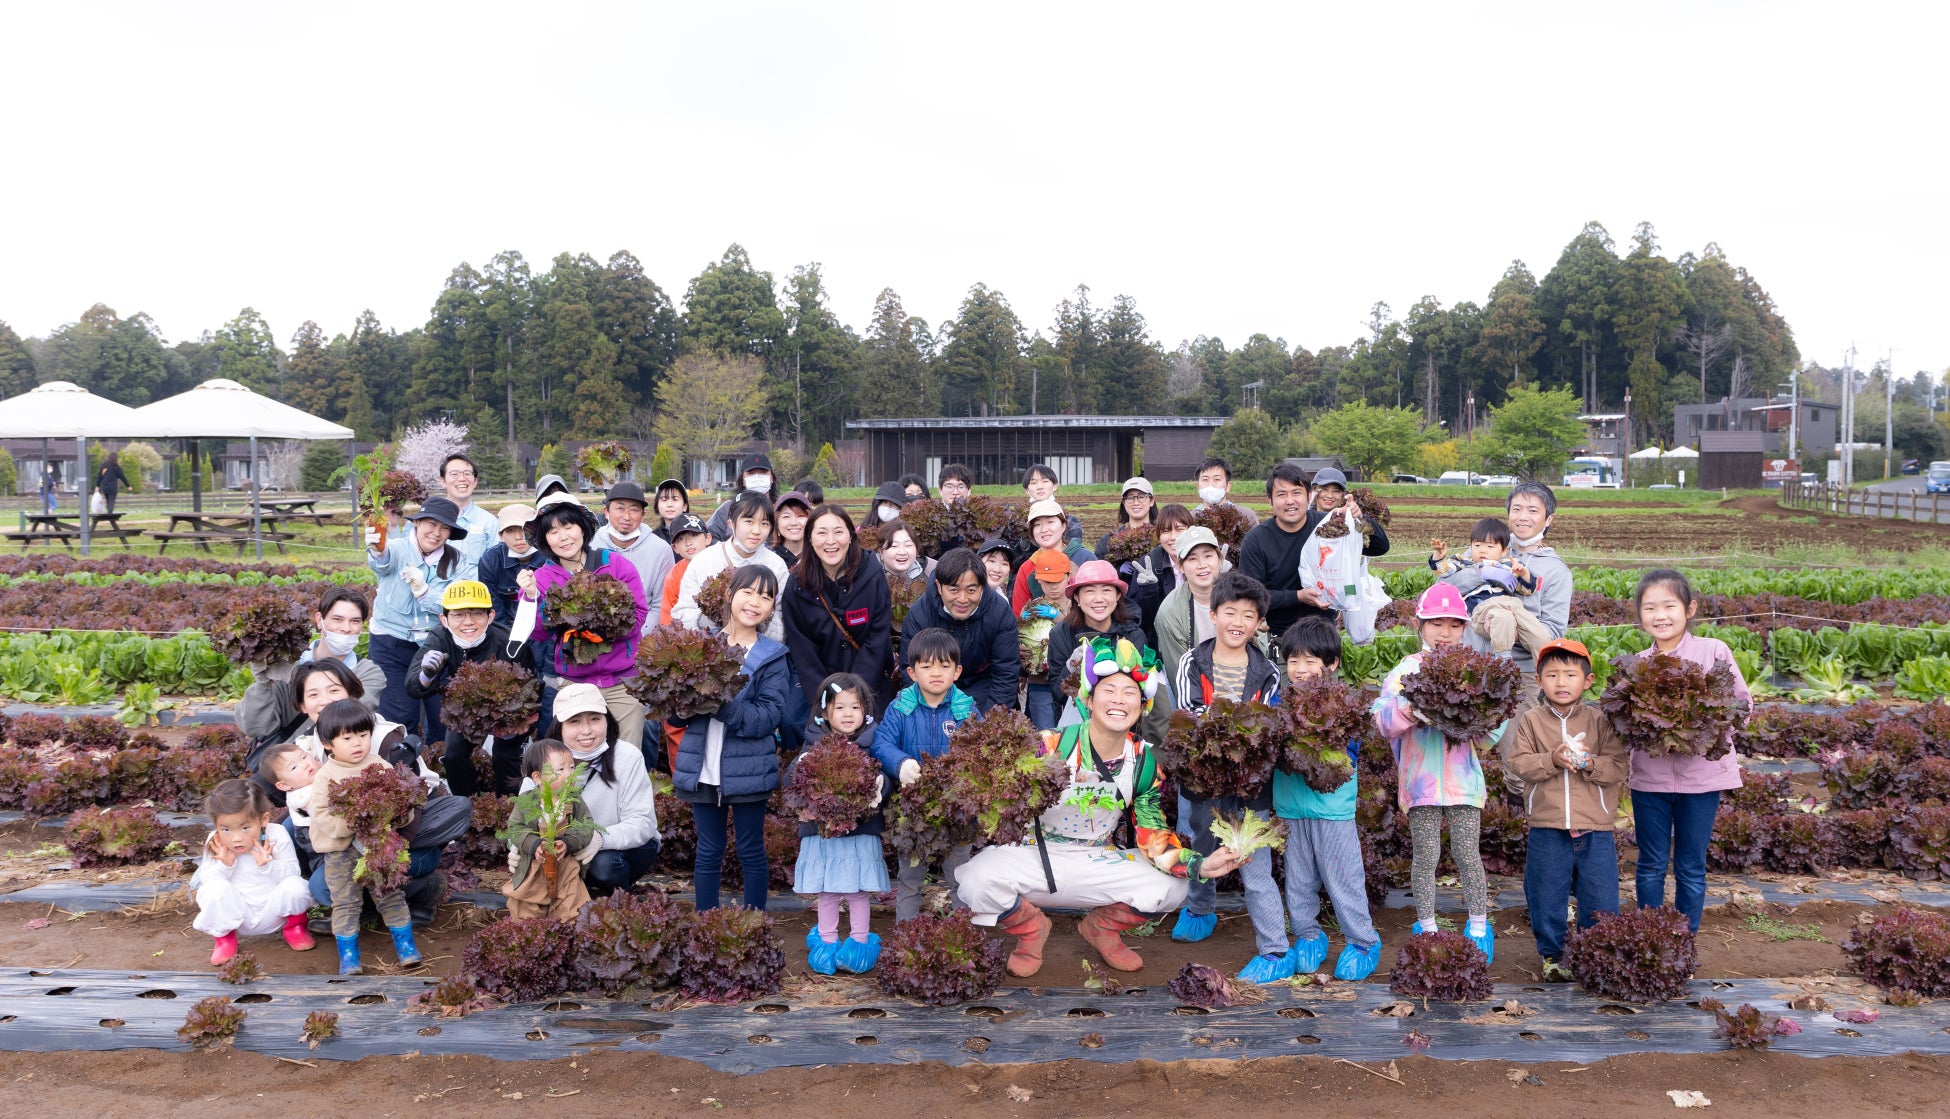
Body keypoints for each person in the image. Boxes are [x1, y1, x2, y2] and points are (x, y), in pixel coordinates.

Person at [956, 636, 1243, 976]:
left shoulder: (1143, 762)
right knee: (976, 880)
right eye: (1109, 690)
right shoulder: (1049, 745)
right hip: (1035, 855)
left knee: (1173, 886)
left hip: (1097, 860)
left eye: (1130, 692)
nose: (1119, 700)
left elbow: (1153, 835)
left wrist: (1200, 864)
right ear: (1089, 700)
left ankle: (1101, 928)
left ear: (1142, 706)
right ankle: (1032, 929)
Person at [1372, 583, 1499, 962]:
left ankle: (1479, 925)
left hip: (1463, 782)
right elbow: (1381, 719)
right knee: (1426, 856)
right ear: (1419, 624)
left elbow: (1495, 725)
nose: (1445, 633)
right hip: (1421, 782)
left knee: (1467, 853)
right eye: (1436, 623)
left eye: (1454, 625)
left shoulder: (1474, 669)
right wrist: (1412, 710)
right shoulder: (1406, 670)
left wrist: (1477, 723)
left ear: (1465, 629)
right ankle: (1426, 926)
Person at [1627, 569, 1751, 933]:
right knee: (1650, 864)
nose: (1660, 616)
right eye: (1650, 608)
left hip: (1701, 780)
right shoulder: (1637, 663)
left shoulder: (1713, 651)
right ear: (1640, 614)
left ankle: (1684, 938)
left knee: (1691, 866)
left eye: (1669, 606)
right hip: (1650, 779)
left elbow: (1741, 706)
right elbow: (1624, 721)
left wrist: (1704, 730)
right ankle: (1652, 936)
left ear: (1689, 609)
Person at [672, 565, 800, 911]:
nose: (755, 602)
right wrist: (682, 700)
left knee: (751, 850)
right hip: (701, 768)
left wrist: (718, 704)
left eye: (766, 597)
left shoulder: (773, 657)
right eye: (748, 591)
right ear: (729, 595)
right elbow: (673, 714)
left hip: (749, 771)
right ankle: (706, 923)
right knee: (708, 850)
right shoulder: (701, 646)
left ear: (772, 608)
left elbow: (767, 717)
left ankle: (754, 923)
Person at [1167, 573, 1283, 954]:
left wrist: (1239, 732)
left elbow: (1267, 725)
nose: (1238, 623)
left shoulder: (1268, 672)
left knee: (1253, 853)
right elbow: (1189, 715)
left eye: (1249, 616)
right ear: (1213, 615)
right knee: (1200, 839)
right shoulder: (1192, 662)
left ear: (1259, 623)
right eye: (1230, 613)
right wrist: (1232, 724)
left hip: (1250, 782)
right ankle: (1200, 908)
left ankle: (1271, 939)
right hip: (1203, 778)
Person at [1507, 638, 1626, 980]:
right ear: (1538, 680)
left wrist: (1589, 763)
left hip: (1595, 826)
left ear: (1587, 681)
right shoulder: (1531, 720)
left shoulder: (1600, 721)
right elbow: (1519, 762)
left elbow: (1618, 766)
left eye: (1570, 675)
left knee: (1600, 895)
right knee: (1545, 893)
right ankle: (1553, 956)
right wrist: (1552, 759)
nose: (1561, 682)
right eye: (1552, 675)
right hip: (1548, 825)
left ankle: (1594, 954)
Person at [1273, 617, 1382, 981]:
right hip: (1289, 807)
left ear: (1332, 663)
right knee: (1298, 880)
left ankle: (1363, 941)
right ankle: (1308, 935)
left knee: (1342, 878)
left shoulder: (1345, 705)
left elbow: (1348, 755)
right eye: (1293, 661)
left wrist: (1315, 747)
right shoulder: (1278, 701)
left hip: (1331, 809)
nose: (1300, 669)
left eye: (1310, 660)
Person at [517, 493, 651, 752]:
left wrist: (596, 631)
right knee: (579, 757)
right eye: (553, 531)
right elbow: (538, 633)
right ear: (545, 539)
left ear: (582, 528)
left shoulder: (614, 564)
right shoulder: (541, 578)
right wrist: (531, 596)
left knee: (626, 754)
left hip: (623, 682)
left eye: (568, 526)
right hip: (575, 683)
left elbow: (637, 616)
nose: (563, 537)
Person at [870, 627, 977, 922]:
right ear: (912, 672)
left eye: (944, 666)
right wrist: (901, 763)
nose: (936, 673)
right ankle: (905, 934)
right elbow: (881, 744)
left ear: (957, 672)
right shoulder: (900, 707)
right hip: (912, 812)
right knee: (910, 879)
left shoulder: (966, 709)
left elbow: (981, 749)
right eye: (927, 666)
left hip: (957, 809)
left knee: (961, 878)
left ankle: (963, 933)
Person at [308, 700, 422, 975]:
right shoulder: (325, 776)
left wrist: (399, 814)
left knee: (390, 895)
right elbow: (321, 815)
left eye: (363, 735)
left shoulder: (380, 765)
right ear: (327, 743)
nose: (357, 743)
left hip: (377, 847)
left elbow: (400, 803)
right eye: (347, 738)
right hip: (340, 851)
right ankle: (349, 957)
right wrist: (353, 822)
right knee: (345, 902)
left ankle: (406, 947)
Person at [792, 674, 889, 975]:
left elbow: (885, 778)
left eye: (855, 707)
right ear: (825, 712)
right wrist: (802, 772)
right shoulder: (812, 745)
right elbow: (792, 780)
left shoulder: (872, 743)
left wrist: (879, 787)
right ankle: (827, 942)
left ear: (866, 711)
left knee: (858, 892)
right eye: (840, 707)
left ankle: (859, 943)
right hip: (823, 836)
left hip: (860, 832)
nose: (848, 714)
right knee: (828, 892)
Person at [526, 685, 662, 898]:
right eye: (575, 721)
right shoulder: (542, 758)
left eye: (595, 719)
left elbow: (643, 823)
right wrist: (519, 846)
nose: (587, 730)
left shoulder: (627, 757)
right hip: (564, 849)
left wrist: (599, 838)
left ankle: (617, 895)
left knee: (604, 867)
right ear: (559, 726)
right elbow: (522, 815)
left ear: (607, 720)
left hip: (618, 848)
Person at [405, 580, 535, 797]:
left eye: (476, 614)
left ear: (490, 616)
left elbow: (533, 687)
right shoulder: (440, 638)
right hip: (468, 710)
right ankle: (466, 803)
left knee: (506, 757)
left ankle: (507, 805)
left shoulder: (510, 642)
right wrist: (426, 675)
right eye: (458, 615)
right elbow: (412, 686)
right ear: (444, 619)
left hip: (508, 713)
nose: (468, 622)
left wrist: (514, 722)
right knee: (453, 755)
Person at [365, 496, 476, 745]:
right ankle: (401, 764)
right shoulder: (396, 548)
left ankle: (441, 763)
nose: (436, 533)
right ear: (417, 523)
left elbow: (459, 604)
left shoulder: (459, 561)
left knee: (443, 717)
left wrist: (425, 592)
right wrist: (377, 549)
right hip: (391, 643)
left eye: (444, 528)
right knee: (398, 716)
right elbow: (382, 563)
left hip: (437, 645)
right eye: (431, 524)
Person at [236, 587, 387, 744]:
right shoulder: (282, 667)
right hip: (283, 756)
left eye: (355, 621)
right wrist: (262, 684)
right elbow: (255, 728)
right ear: (319, 620)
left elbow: (346, 720)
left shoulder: (368, 673)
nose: (346, 628)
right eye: (337, 619)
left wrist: (294, 676)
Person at [782, 505, 894, 714]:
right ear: (810, 539)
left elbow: (877, 637)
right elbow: (802, 648)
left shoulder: (872, 574)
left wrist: (854, 693)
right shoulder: (797, 585)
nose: (831, 541)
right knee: (792, 720)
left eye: (838, 532)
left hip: (869, 680)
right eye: (822, 533)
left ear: (851, 536)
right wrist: (827, 697)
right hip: (821, 682)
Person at [192, 780, 314, 965]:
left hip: (274, 912)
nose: (236, 838)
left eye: (245, 828)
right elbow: (209, 880)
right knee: (212, 889)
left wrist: (268, 866)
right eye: (226, 829)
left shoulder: (277, 834)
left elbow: (293, 872)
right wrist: (225, 865)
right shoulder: (216, 841)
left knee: (296, 885)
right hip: (237, 916)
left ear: (263, 819)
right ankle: (224, 939)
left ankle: (295, 928)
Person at [900, 548, 1020, 714]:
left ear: (982, 587)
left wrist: (987, 720)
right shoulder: (920, 614)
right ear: (939, 586)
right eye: (954, 590)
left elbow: (1006, 672)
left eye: (971, 590)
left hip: (982, 684)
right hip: (936, 683)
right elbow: (912, 670)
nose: (962, 599)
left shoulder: (1000, 612)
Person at [501, 739, 598, 921]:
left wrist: (568, 842)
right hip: (534, 864)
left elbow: (586, 826)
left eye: (572, 767)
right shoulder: (526, 801)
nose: (569, 774)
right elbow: (515, 828)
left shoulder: (574, 800)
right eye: (560, 770)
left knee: (572, 903)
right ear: (538, 777)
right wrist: (533, 844)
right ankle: (528, 928)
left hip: (565, 863)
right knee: (528, 902)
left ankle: (568, 926)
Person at [676, 491, 789, 642]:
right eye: (749, 521)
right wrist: (711, 620)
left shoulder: (777, 566)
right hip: (711, 648)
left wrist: (757, 622)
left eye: (764, 524)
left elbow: (783, 618)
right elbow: (682, 612)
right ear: (731, 524)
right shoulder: (703, 560)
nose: (756, 531)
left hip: (758, 650)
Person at [1431, 517, 1549, 656]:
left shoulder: (1510, 564)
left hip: (1511, 606)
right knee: (1502, 619)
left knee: (1537, 633)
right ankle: (1504, 657)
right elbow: (1443, 572)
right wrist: (1438, 555)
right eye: (1477, 545)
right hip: (1483, 606)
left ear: (1504, 551)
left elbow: (1527, 589)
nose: (1482, 551)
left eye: (1490, 546)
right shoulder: (1464, 562)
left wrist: (1524, 574)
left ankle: (1547, 658)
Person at [1238, 463, 1331, 635]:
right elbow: (1251, 595)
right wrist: (1298, 596)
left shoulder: (1326, 525)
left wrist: (1358, 517)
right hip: (1277, 635)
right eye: (1281, 494)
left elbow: (1379, 546)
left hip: (1324, 634)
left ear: (1309, 496)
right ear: (1270, 500)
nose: (1290, 500)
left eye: (1296, 493)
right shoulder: (1256, 540)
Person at [1154, 526, 1253, 680]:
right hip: (1197, 688)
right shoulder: (1170, 613)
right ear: (1181, 566)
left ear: (1219, 559)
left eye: (1208, 556)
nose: (1202, 565)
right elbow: (1181, 676)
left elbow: (1261, 655)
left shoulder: (1246, 598)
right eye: (1192, 559)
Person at [592, 480, 676, 619]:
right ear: (606, 512)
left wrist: (637, 631)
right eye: (620, 508)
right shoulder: (590, 546)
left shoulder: (661, 550)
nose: (626, 516)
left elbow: (660, 605)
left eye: (634, 510)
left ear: (643, 515)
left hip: (644, 627)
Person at [1016, 547, 1073, 731]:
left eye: (1058, 581)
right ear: (1038, 580)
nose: (1053, 587)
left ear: (1068, 576)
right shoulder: (1030, 607)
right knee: (1045, 733)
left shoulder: (1076, 605)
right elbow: (1023, 640)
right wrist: (1022, 671)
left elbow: (1077, 632)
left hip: (1068, 681)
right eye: (1047, 582)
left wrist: (1058, 617)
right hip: (1039, 682)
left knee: (1068, 732)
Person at [1122, 502, 1191, 649]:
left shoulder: (1204, 561)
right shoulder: (1150, 563)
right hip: (1161, 642)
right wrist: (1149, 591)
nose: (1173, 537)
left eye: (1180, 529)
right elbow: (1137, 617)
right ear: (1159, 536)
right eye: (1166, 531)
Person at [1010, 500, 1092, 612]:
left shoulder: (1085, 558)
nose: (1044, 530)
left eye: (1050, 522)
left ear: (1063, 526)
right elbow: (1019, 612)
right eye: (1037, 525)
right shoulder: (1027, 569)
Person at [477, 504, 545, 629]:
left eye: (524, 529)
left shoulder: (551, 555)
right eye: (510, 531)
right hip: (507, 628)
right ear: (501, 535)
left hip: (546, 627)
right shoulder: (490, 560)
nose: (518, 537)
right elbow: (494, 608)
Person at [439, 454, 500, 566]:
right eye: (454, 474)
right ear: (443, 481)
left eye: (467, 474)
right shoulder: (430, 519)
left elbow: (496, 563)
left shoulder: (489, 522)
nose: (462, 478)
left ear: (475, 482)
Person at [658, 512, 713, 627]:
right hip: (688, 630)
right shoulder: (673, 576)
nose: (688, 542)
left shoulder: (721, 563)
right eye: (681, 538)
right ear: (675, 548)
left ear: (708, 538)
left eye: (693, 535)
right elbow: (667, 615)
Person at [706, 453, 776, 541]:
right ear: (743, 480)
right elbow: (708, 537)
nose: (757, 477)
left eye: (763, 473)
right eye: (751, 473)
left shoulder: (780, 508)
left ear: (771, 478)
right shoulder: (728, 509)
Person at [1021, 464, 1084, 547]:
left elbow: (1075, 549)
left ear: (1054, 486)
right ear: (1026, 490)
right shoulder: (1019, 522)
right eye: (1033, 483)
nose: (1039, 487)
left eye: (1045, 481)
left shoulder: (1070, 521)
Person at [1094, 477, 1157, 557]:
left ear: (1151, 501)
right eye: (1130, 498)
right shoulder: (1107, 542)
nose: (1136, 503)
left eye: (1141, 497)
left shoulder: (1162, 537)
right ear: (1124, 502)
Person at [1193, 456, 1258, 530]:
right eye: (1205, 479)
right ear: (1198, 486)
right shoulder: (1189, 518)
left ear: (1228, 486)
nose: (1210, 484)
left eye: (1217, 479)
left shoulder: (1246, 516)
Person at [875, 517, 933, 583]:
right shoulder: (868, 578)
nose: (902, 552)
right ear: (881, 552)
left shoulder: (929, 579)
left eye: (908, 545)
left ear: (916, 550)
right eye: (894, 546)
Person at [771, 491, 813, 569]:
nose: (794, 523)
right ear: (777, 523)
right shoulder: (768, 558)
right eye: (786, 516)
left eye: (800, 516)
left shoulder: (819, 555)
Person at [651, 478, 690, 544]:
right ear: (657, 505)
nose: (669, 504)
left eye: (675, 499)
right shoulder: (653, 538)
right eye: (664, 499)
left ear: (684, 506)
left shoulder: (694, 534)